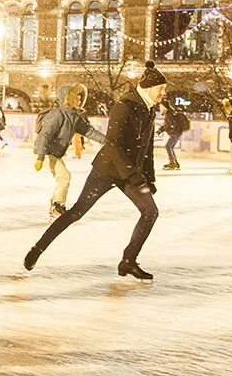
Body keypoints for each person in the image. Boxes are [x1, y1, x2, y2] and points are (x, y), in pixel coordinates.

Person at [24, 66, 167, 280]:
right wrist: (132, 174)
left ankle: (128, 261)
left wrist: (149, 177)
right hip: (108, 169)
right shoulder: (124, 106)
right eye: (161, 88)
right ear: (148, 87)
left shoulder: (150, 109)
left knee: (150, 212)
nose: (164, 93)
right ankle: (38, 248)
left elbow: (147, 147)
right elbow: (112, 145)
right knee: (77, 211)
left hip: (130, 172)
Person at [33, 84, 105, 218]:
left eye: (80, 98)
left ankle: (57, 205)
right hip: (46, 151)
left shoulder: (75, 117)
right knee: (64, 176)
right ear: (68, 98)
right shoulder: (57, 115)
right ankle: (56, 206)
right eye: (76, 98)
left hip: (55, 153)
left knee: (63, 177)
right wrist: (40, 157)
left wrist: (107, 141)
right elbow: (44, 135)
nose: (79, 100)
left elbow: (89, 132)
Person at [160, 100, 189, 170]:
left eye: (161, 107)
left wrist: (165, 129)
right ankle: (175, 162)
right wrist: (162, 129)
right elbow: (170, 125)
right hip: (177, 132)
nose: (160, 108)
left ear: (165, 107)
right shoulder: (170, 113)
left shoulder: (170, 114)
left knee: (168, 146)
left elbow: (172, 125)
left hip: (175, 133)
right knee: (170, 147)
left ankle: (172, 163)